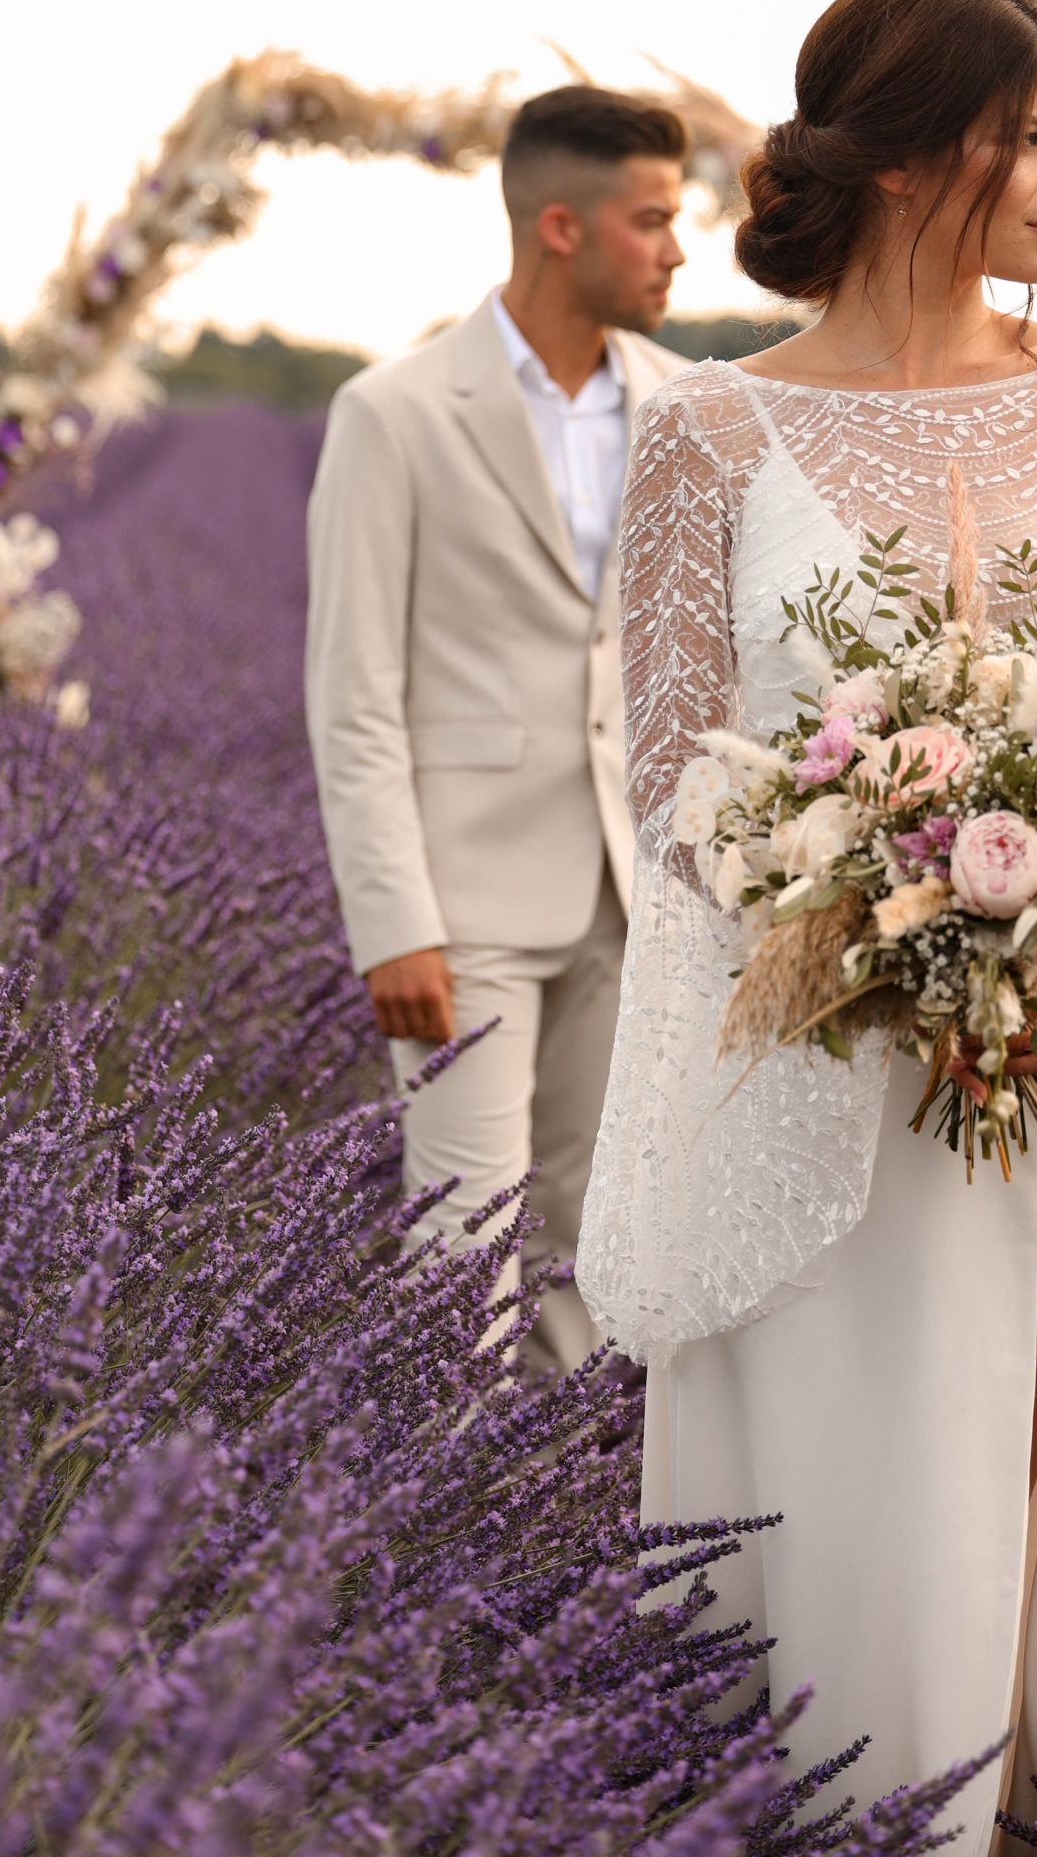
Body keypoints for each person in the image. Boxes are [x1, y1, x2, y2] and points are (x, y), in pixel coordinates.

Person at [577, 0, 1037, 1848]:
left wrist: (1033, 923)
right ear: (897, 157)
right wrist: (869, 892)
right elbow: (673, 775)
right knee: (835, 1498)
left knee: (1006, 1493)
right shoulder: (708, 431)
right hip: (808, 1060)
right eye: (1027, 138)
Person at [306, 85, 689, 1371]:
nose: (679, 251)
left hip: (634, 893)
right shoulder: (395, 412)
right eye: (652, 220)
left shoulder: (687, 405)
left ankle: (570, 1491)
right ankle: (442, 1496)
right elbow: (353, 693)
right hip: (460, 910)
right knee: (462, 1246)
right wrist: (393, 922)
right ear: (561, 227)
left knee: (593, 1243)